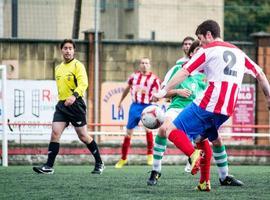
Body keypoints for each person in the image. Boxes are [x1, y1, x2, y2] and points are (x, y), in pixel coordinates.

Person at [153, 20, 270, 191]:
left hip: (209, 103)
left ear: (209, 35)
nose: (200, 44)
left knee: (170, 130)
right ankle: (204, 182)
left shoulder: (208, 50)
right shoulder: (238, 52)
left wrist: (163, 92)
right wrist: (268, 98)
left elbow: (185, 72)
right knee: (201, 138)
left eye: (200, 39)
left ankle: (192, 155)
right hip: (227, 109)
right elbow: (260, 74)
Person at [33, 39, 104, 174]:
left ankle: (99, 162)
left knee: (83, 136)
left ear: (74, 51)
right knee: (55, 133)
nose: (68, 51)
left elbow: (84, 83)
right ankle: (48, 166)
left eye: (70, 48)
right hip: (62, 105)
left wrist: (74, 96)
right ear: (61, 50)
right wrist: (65, 99)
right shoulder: (58, 68)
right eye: (65, 48)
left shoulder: (78, 66)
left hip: (76, 105)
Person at [148, 40, 211, 188]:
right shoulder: (178, 69)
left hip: (195, 112)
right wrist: (177, 91)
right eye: (197, 51)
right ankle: (156, 170)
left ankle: (206, 181)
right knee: (163, 129)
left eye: (203, 51)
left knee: (203, 140)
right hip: (176, 108)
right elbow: (164, 91)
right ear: (191, 54)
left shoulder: (205, 75)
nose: (200, 53)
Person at [115, 57, 161, 168]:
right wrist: (120, 101)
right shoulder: (134, 76)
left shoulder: (154, 79)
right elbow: (127, 88)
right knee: (128, 132)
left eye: (146, 63)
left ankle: (150, 155)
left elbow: (159, 94)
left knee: (148, 129)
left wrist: (156, 99)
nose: (144, 65)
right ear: (139, 65)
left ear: (149, 65)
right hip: (135, 106)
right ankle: (123, 158)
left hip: (148, 106)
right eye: (142, 63)